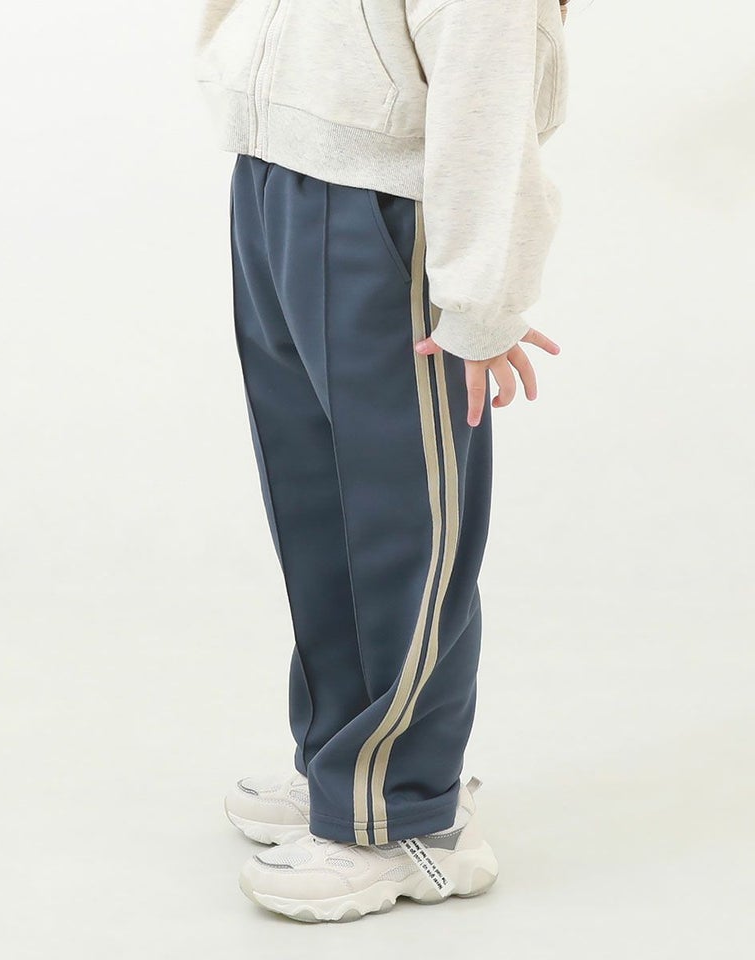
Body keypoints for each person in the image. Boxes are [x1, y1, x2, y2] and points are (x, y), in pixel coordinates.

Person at [195, 0, 570, 922]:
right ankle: (344, 770)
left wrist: (481, 297)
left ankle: (411, 817)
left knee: (407, 525)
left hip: (387, 205)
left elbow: (487, 80)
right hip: (277, 172)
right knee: (314, 507)